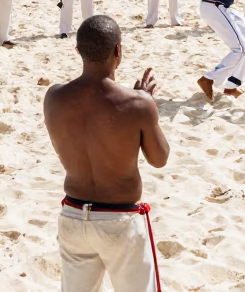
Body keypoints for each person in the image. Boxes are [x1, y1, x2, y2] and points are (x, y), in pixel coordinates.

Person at [45, 15, 170, 292]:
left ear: (78, 51)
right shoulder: (138, 104)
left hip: (74, 216)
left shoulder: (54, 97)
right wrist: (148, 107)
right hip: (118, 220)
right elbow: (159, 159)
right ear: (118, 51)